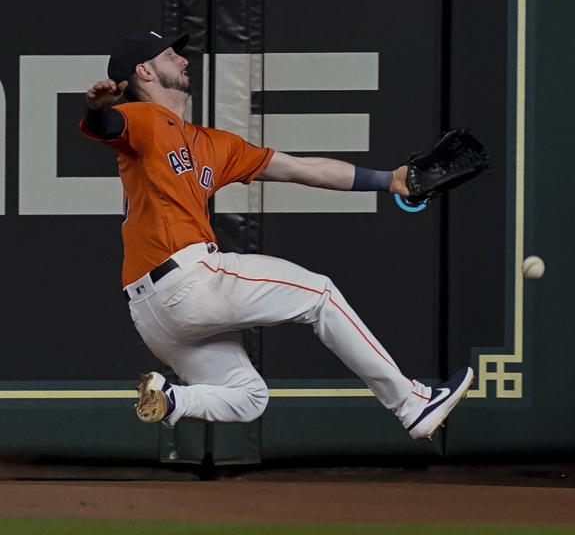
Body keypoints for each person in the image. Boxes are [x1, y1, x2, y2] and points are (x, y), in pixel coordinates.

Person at [81, 30, 473, 440]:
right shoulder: (143, 119)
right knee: (320, 295)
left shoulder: (214, 144)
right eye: (169, 55)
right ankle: (411, 403)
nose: (183, 60)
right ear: (144, 70)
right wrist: (97, 109)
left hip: (154, 315)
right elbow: (109, 125)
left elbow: (298, 168)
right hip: (187, 280)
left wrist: (389, 181)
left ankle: (171, 398)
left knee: (249, 397)